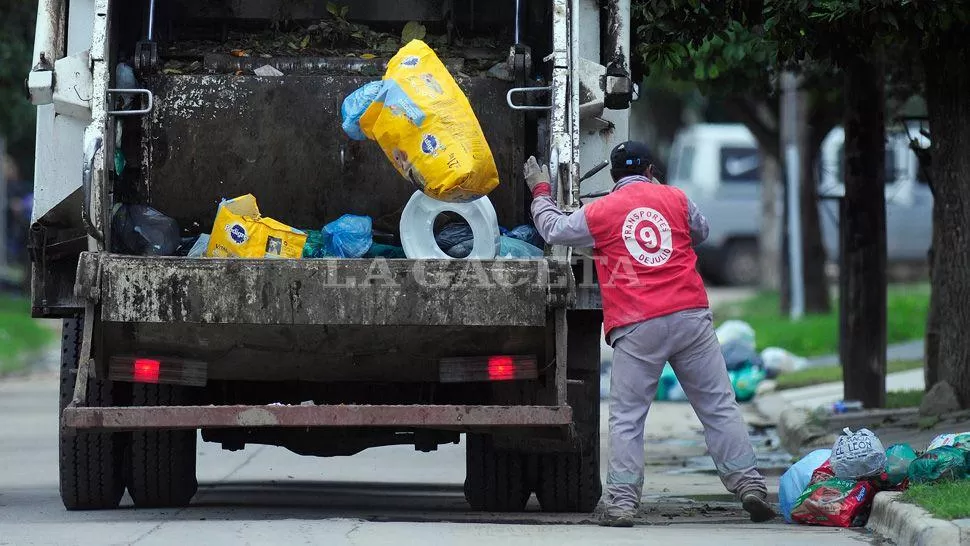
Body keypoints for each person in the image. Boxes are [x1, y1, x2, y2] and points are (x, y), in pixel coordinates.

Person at [524, 141, 775, 527]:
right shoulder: (676, 198)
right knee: (719, 407)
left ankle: (622, 504)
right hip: (690, 317)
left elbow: (554, 229)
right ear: (651, 170)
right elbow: (701, 230)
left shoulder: (602, 211)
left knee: (627, 418)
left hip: (638, 323)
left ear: (613, 176)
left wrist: (541, 190)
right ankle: (750, 485)